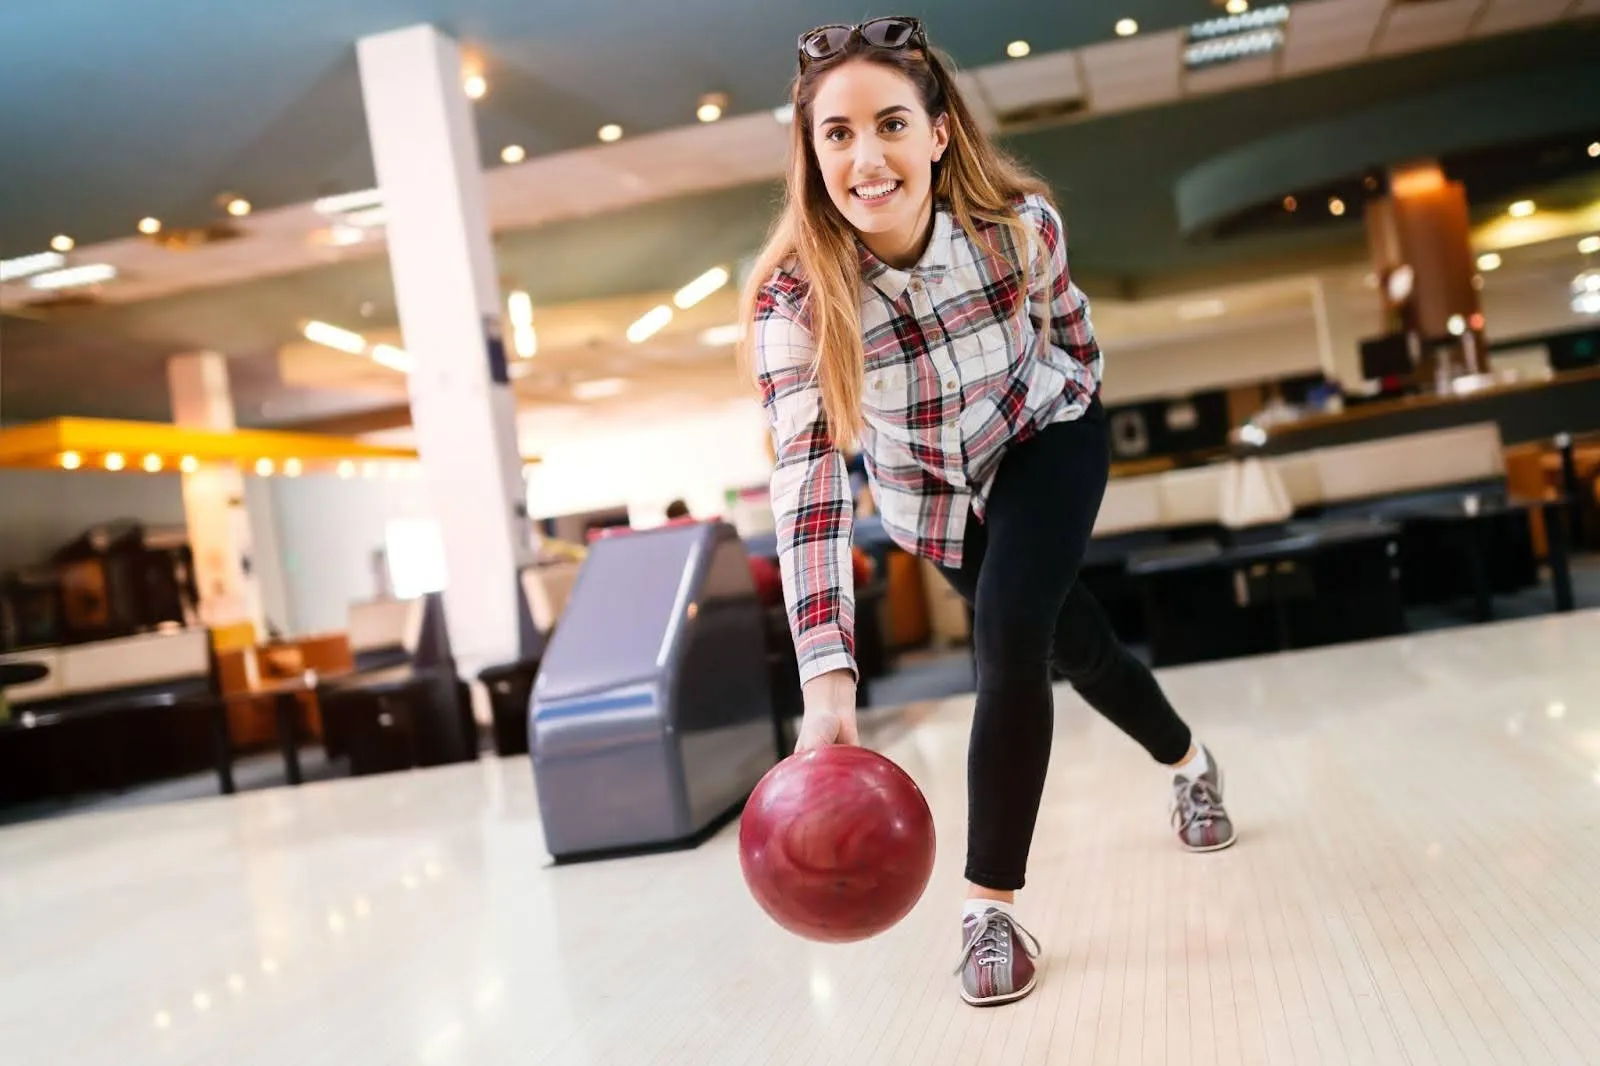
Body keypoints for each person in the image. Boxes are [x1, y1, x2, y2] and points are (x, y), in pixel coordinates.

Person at [737, 16, 1236, 1008]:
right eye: (836, 134)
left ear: (936, 133)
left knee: (1008, 635)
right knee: (1072, 646)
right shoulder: (794, 305)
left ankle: (988, 908)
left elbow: (1070, 327)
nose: (865, 156)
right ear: (811, 154)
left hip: (1043, 433)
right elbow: (807, 488)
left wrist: (1074, 413)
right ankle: (1190, 757)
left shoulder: (1018, 226)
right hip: (932, 495)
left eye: (888, 123)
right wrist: (827, 688)